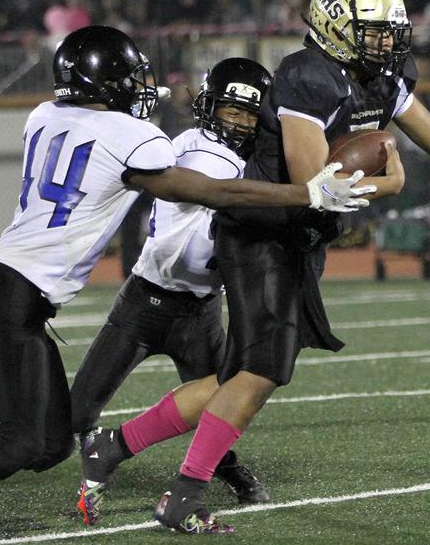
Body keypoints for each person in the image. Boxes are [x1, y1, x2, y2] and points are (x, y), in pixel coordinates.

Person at [0, 25, 374, 545]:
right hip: (17, 293)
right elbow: (208, 190)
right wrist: (303, 193)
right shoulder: (135, 137)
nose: (139, 87)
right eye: (130, 78)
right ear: (105, 82)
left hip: (3, 286)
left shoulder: (44, 115)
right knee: (26, 442)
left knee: (50, 442)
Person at [84, 0, 430, 534]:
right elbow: (311, 182)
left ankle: (112, 448)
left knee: (239, 373)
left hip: (300, 238)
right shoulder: (308, 75)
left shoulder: (383, 78)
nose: (387, 44)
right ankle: (183, 495)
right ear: (335, 26)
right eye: (374, 32)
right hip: (260, 234)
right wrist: (387, 187)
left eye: (390, 32)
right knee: (261, 372)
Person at [70, 57, 275, 526]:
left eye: (249, 114)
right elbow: (214, 192)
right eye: (231, 111)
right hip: (145, 300)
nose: (241, 122)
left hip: (200, 308)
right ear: (209, 107)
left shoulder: (242, 158)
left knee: (221, 400)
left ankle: (227, 470)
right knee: (78, 409)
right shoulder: (197, 151)